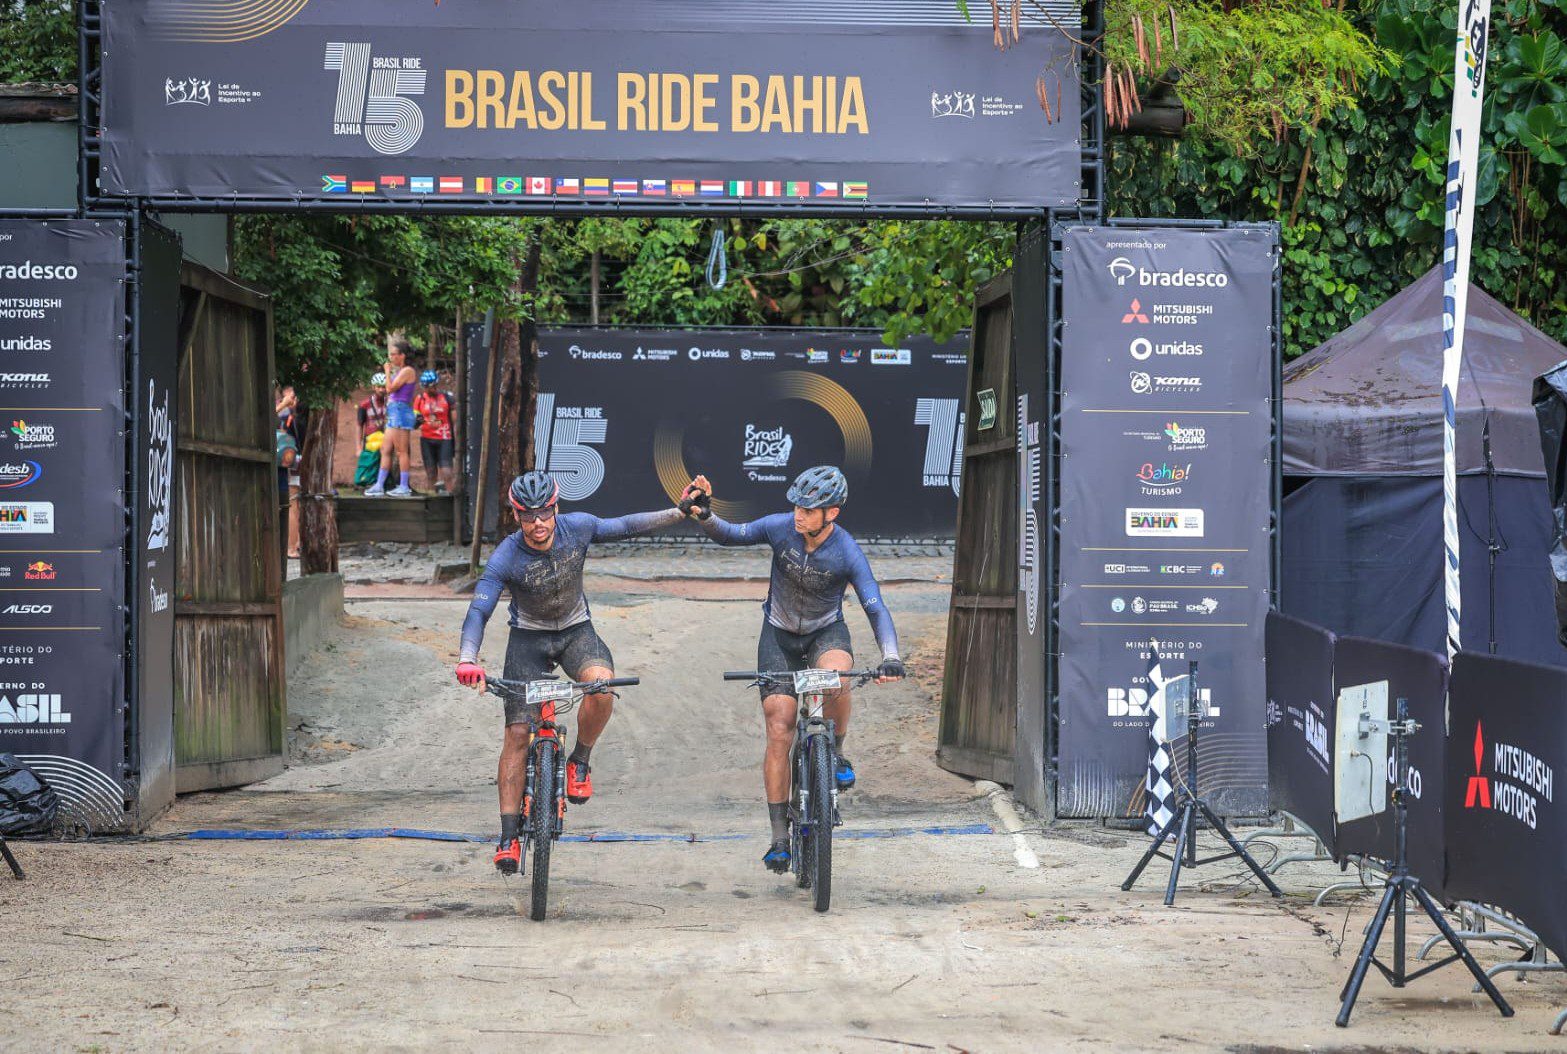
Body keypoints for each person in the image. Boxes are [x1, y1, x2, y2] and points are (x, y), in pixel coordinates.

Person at [455, 470, 705, 874]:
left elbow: (626, 526)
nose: (538, 523)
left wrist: (679, 513)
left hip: (576, 632)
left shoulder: (579, 528)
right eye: (528, 516)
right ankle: (508, 837)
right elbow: (479, 609)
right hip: (527, 641)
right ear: (516, 515)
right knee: (518, 733)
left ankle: (579, 761)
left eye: (545, 513)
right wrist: (468, 657)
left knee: (602, 687)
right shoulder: (506, 554)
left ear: (557, 508)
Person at [681, 466, 904, 874]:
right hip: (779, 636)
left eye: (809, 509)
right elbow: (733, 535)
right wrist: (703, 513)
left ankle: (835, 754)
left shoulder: (847, 551)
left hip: (825, 633)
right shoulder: (780, 527)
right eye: (797, 507)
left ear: (831, 513)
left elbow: (875, 606)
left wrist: (890, 655)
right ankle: (779, 836)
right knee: (779, 724)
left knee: (837, 677)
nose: (798, 515)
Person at [366, 337, 418, 497]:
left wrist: (387, 372)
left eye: (394, 354)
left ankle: (404, 486)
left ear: (402, 355)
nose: (391, 357)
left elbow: (389, 388)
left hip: (401, 412)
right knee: (385, 448)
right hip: (394, 411)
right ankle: (379, 484)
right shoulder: (400, 371)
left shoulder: (408, 371)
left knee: (401, 451)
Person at [413, 370, 456, 494]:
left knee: (447, 472)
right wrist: (417, 420)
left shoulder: (447, 397)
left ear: (435, 385)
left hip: (444, 438)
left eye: (429, 387)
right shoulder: (420, 398)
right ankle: (432, 500)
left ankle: (450, 498)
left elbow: (454, 420)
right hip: (427, 439)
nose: (426, 389)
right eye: (424, 387)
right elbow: (415, 421)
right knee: (431, 473)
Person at [276, 386, 304, 559]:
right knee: (298, 504)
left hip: (293, 460)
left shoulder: (292, 418)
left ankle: (291, 547)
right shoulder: (302, 416)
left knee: (292, 503)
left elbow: (266, 421)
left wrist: (281, 406)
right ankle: (298, 543)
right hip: (302, 460)